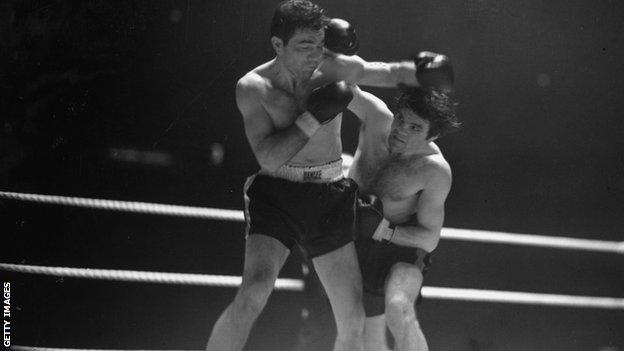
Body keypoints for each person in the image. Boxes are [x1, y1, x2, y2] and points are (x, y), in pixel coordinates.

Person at [205, 1, 454, 350]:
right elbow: (269, 157)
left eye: (319, 46)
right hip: (276, 192)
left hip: (329, 195)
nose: (314, 56)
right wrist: (311, 118)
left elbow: (381, 71)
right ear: (278, 45)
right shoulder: (252, 87)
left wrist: (422, 73)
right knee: (253, 294)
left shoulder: (331, 67)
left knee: (353, 322)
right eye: (305, 47)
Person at [295, 85, 459, 351]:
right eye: (401, 119)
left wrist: (385, 230)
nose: (401, 130)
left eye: (415, 128)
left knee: (398, 308)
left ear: (433, 135)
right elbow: (342, 82)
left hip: (400, 250)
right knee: (355, 331)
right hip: (350, 241)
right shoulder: (375, 116)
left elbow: (429, 239)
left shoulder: (434, 171)